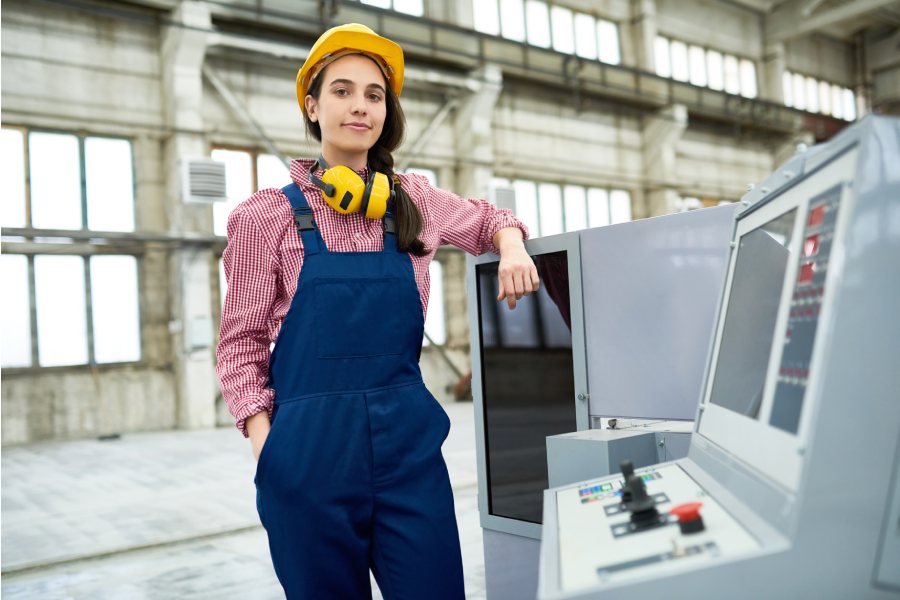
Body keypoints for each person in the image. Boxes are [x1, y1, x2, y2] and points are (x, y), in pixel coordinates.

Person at [216, 22, 539, 599]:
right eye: (341, 91)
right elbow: (240, 344)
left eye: (374, 95)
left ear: (387, 112)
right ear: (312, 107)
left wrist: (511, 243)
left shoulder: (414, 200)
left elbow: (491, 218)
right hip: (308, 460)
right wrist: (272, 450)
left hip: (407, 457)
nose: (359, 106)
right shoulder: (264, 216)